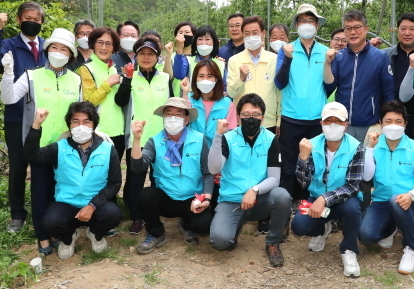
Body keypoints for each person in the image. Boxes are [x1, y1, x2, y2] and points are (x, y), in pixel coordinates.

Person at [0, 28, 82, 255]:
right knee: (40, 192)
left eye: (64, 48)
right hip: (38, 147)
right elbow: (8, 98)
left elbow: (80, 113)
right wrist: (8, 73)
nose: (58, 52)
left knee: (61, 193)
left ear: (70, 54)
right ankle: (43, 236)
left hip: (66, 147)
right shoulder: (31, 76)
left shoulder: (76, 80)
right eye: (54, 47)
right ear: (47, 51)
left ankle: (58, 231)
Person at [23, 103, 122, 260]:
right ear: (69, 124)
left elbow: (115, 183)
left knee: (113, 215)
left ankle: (95, 234)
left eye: (86, 122)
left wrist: (92, 206)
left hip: (95, 202)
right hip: (66, 202)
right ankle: (68, 239)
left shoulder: (107, 149)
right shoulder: (59, 147)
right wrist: (36, 125)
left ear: (94, 125)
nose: (80, 126)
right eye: (75, 121)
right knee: (50, 222)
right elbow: (31, 156)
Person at [0, 1, 47, 232]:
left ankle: (47, 208)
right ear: (19, 20)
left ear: (42, 22)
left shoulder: (49, 48)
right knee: (18, 167)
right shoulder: (9, 45)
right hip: (17, 117)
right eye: (27, 18)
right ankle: (17, 215)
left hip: (44, 117)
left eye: (37, 19)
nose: (32, 22)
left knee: (45, 164)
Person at [209, 94, 292, 268]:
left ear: (263, 117)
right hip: (232, 200)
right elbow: (214, 169)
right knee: (220, 242)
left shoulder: (270, 139)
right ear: (238, 117)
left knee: (282, 196)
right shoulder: (228, 138)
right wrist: (217, 136)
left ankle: (273, 242)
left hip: (261, 199)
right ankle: (234, 229)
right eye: (246, 115)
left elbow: (274, 178)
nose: (251, 119)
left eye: (256, 114)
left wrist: (254, 190)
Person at [130, 97, 213, 253]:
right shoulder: (154, 141)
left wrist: (207, 199)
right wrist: (136, 140)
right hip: (166, 197)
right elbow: (137, 168)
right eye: (169, 114)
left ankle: (187, 224)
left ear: (187, 119)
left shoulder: (199, 139)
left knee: (204, 226)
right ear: (163, 118)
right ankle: (156, 233)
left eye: (179, 114)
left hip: (192, 198)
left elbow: (208, 173)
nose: (173, 118)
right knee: (146, 195)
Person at [291, 102, 364, 278]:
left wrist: (324, 198)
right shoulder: (311, 145)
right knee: (298, 226)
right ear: (321, 123)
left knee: (353, 208)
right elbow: (303, 183)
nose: (332, 125)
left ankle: (349, 250)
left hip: (343, 200)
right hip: (315, 198)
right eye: (328, 120)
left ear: (346, 124)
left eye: (338, 121)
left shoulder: (356, 146)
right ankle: (321, 230)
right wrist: (303, 158)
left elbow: (353, 186)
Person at [358, 101, 414, 275]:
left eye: (398, 121)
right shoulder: (374, 146)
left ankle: (411, 248)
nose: (393, 125)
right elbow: (367, 177)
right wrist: (370, 148)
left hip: (408, 201)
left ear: (405, 123)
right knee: (366, 236)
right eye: (388, 121)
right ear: (381, 123)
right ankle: (392, 227)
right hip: (381, 200)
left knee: (396, 202)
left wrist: (411, 195)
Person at [117, 36, 172, 235]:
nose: (146, 57)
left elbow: (172, 106)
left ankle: (157, 212)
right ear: (136, 56)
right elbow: (121, 101)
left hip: (162, 139)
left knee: (159, 177)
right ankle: (137, 216)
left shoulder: (165, 79)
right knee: (135, 178)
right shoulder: (131, 78)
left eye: (151, 54)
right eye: (142, 53)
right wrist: (127, 80)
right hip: (138, 138)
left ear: (157, 57)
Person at [275, 4, 330, 202]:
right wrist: (288, 59)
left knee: (314, 162)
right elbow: (279, 82)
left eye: (311, 21)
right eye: (302, 21)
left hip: (316, 118)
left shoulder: (325, 52)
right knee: (289, 164)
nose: (307, 25)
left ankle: (309, 201)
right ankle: (287, 202)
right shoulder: (287, 50)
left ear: (317, 25)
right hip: (291, 117)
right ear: (296, 25)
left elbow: (330, 86)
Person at [323, 9, 395, 143]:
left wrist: (386, 120)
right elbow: (330, 86)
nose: (353, 32)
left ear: (366, 29)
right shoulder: (339, 57)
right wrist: (327, 63)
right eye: (348, 28)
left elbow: (388, 91)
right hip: (342, 123)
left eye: (357, 27)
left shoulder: (380, 57)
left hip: (369, 123)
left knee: (368, 161)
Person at [76, 27, 126, 160]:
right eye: (100, 42)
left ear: (114, 47)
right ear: (93, 44)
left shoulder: (113, 69)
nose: (104, 47)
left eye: (108, 44)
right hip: (98, 131)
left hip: (118, 129)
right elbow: (88, 101)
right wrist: (107, 84)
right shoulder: (86, 69)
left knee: (113, 173)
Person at [227, 15, 281, 133]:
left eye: (255, 33)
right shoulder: (234, 60)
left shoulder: (274, 59)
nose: (251, 37)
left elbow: (279, 94)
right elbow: (231, 93)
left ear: (263, 34)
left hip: (268, 122)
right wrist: (241, 78)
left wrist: (279, 120)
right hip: (242, 121)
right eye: (247, 33)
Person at [183, 59, 237, 146]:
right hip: (193, 151)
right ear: (195, 78)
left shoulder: (228, 104)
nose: (205, 80)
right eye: (201, 76)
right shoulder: (189, 99)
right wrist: (185, 93)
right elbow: (182, 120)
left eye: (210, 76)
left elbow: (231, 135)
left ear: (216, 79)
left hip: (218, 151)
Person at [170, 21, 196, 97]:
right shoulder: (171, 57)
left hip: (194, 100)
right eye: (180, 32)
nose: (183, 35)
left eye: (187, 32)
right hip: (176, 98)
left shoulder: (198, 57)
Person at [327, 28, 348, 103]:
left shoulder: (352, 63)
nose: (340, 43)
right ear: (330, 41)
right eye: (336, 39)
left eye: (344, 41)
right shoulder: (320, 58)